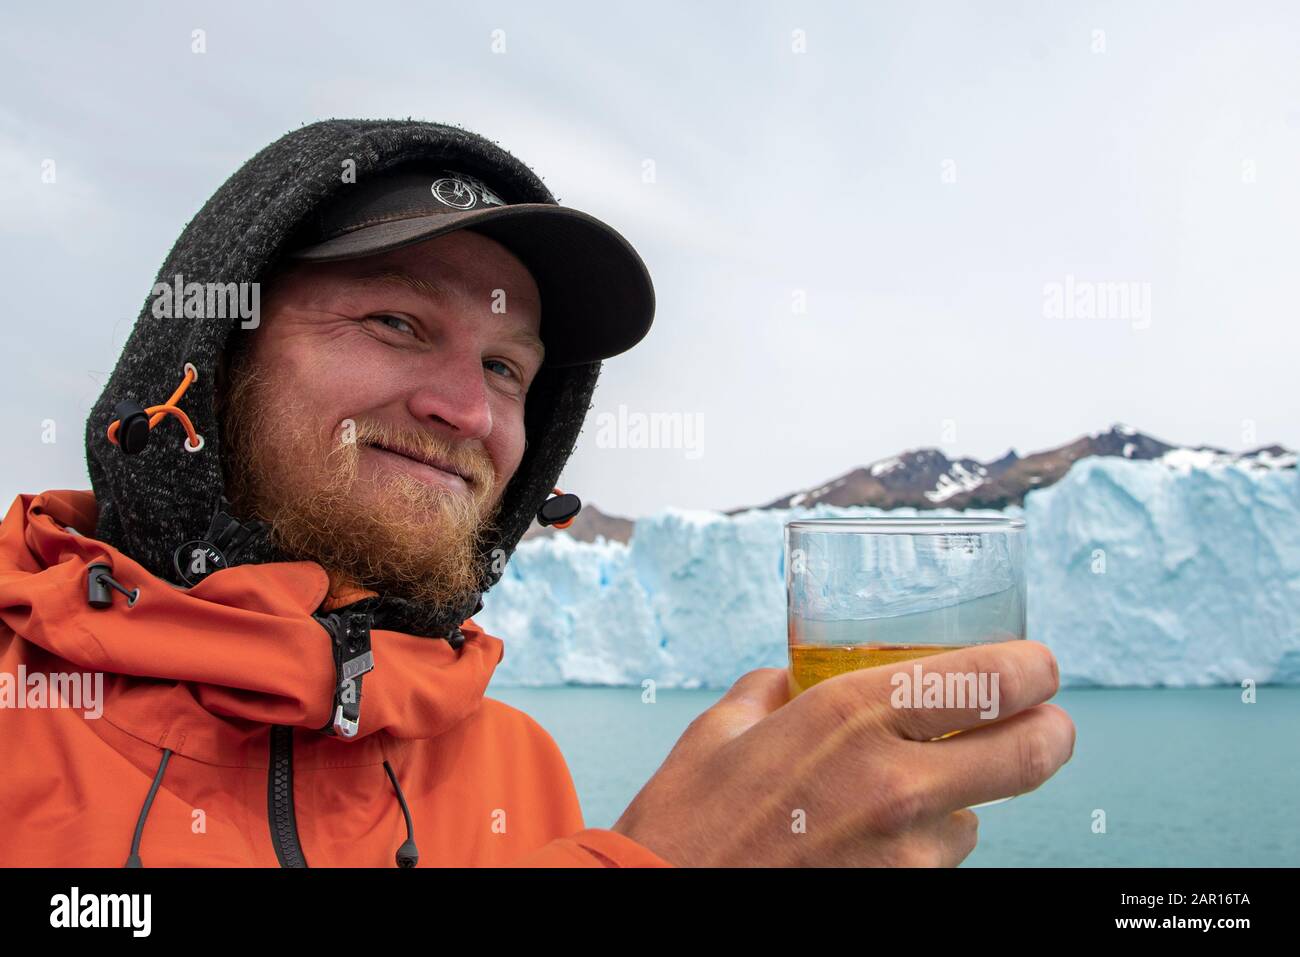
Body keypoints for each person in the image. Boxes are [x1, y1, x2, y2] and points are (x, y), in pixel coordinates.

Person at [0, 119, 1074, 867]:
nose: (466, 409)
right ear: (204, 355)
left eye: (509, 369)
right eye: (397, 323)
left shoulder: (514, 765)